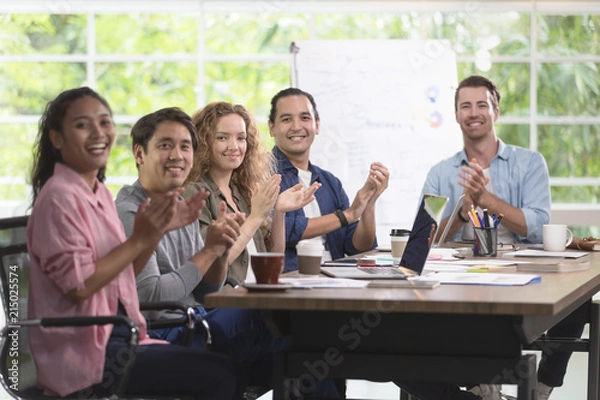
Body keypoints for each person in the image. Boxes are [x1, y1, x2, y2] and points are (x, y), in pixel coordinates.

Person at [27, 87, 245, 399]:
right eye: (82, 125)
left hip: (122, 336)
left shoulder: (97, 194)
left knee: (235, 369)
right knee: (220, 374)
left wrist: (155, 234)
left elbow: (123, 278)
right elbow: (78, 286)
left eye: (104, 123)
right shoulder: (59, 198)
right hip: (86, 353)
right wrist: (143, 238)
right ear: (57, 139)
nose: (98, 133)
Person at [115, 107, 339, 397]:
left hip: (195, 319)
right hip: (166, 330)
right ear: (139, 154)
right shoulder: (129, 211)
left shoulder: (180, 202)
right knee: (275, 318)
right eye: (165, 145)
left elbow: (207, 287)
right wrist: (209, 252)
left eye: (185, 146)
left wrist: (218, 251)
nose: (177, 155)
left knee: (303, 355)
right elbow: (151, 297)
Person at [420, 75, 583, 400]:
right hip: (462, 282)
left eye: (482, 104)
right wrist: (463, 212)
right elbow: (426, 240)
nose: (473, 112)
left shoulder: (529, 163)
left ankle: (542, 385)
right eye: (465, 106)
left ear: (496, 111)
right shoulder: (441, 172)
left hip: (523, 275)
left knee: (578, 301)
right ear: (456, 115)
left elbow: (536, 226)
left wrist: (485, 199)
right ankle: (480, 388)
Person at [185, 101, 320, 284]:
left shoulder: (242, 191)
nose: (234, 147)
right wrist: (256, 216)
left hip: (257, 294)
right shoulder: (194, 193)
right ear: (203, 141)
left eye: (241, 138)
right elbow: (209, 267)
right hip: (225, 303)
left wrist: (279, 211)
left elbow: (271, 260)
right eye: (222, 138)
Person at [268, 87, 390, 272]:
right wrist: (347, 215)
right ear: (271, 128)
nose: (296, 126)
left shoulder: (330, 182)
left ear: (317, 125)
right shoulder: (262, 175)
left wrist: (368, 204)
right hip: (292, 282)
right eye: (286, 119)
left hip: (336, 280)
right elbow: (284, 230)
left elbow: (359, 246)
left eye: (305, 118)